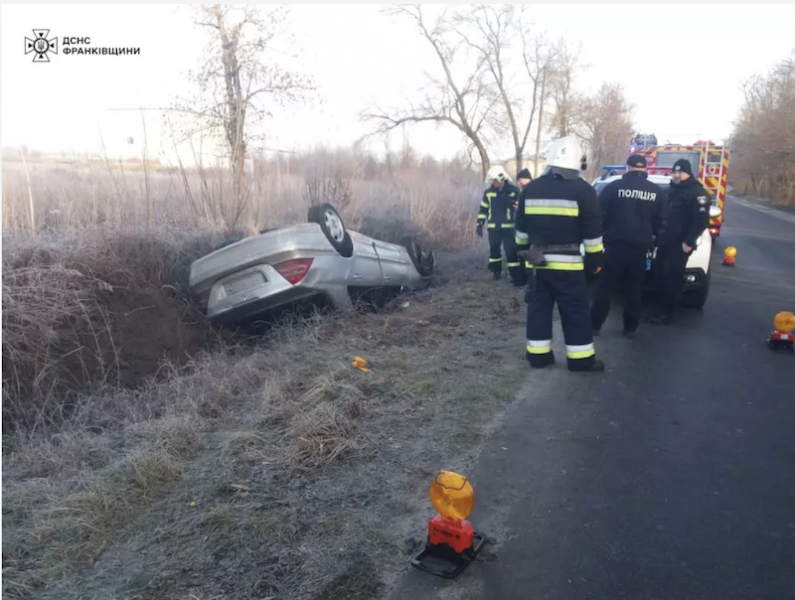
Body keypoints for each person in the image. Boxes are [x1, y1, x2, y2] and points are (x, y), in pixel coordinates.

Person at [515, 136, 605, 372]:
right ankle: (581, 360)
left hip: (537, 264)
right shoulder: (584, 191)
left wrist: (520, 260)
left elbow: (521, 231)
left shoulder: (530, 189)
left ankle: (538, 357)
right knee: (575, 311)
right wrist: (596, 263)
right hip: (570, 266)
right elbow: (592, 233)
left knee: (538, 309)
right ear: (577, 162)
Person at [590, 154, 667, 338]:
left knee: (606, 286)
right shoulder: (656, 191)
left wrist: (599, 237)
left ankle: (595, 326)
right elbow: (662, 222)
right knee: (634, 288)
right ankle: (630, 327)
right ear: (645, 169)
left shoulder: (613, 187)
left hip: (615, 245)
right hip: (640, 248)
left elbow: (599, 215)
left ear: (628, 168)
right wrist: (656, 243)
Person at [647, 158, 710, 325]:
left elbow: (701, 220)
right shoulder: (670, 191)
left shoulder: (697, 193)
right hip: (665, 241)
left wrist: (689, 242)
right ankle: (659, 309)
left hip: (680, 244)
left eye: (680, 172)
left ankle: (666, 314)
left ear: (688, 173)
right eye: (675, 172)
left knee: (671, 278)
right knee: (660, 275)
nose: (677, 175)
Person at [477, 165, 524, 285]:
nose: (493, 182)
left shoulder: (514, 191)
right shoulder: (488, 193)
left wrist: (511, 202)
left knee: (511, 251)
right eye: (492, 180)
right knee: (494, 252)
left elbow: (520, 207)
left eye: (494, 180)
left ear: (501, 178)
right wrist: (480, 223)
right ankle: (496, 272)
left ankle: (515, 275)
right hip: (493, 227)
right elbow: (483, 209)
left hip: (509, 228)